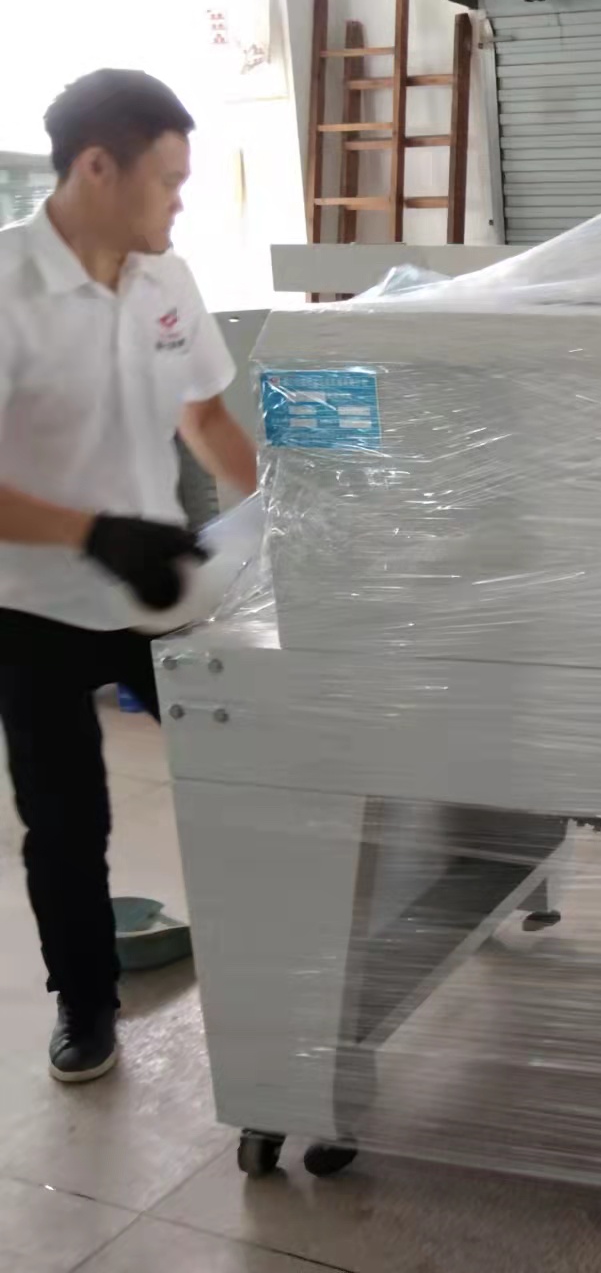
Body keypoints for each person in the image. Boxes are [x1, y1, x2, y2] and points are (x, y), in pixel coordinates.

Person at [0, 70, 257, 1082]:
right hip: (33, 606)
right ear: (98, 168)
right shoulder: (6, 286)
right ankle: (87, 1002)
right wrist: (92, 532)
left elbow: (208, 417)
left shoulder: (167, 280)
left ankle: (275, 965)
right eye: (169, 180)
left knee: (251, 774)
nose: (180, 202)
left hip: (163, 592)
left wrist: (287, 513)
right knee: (66, 823)